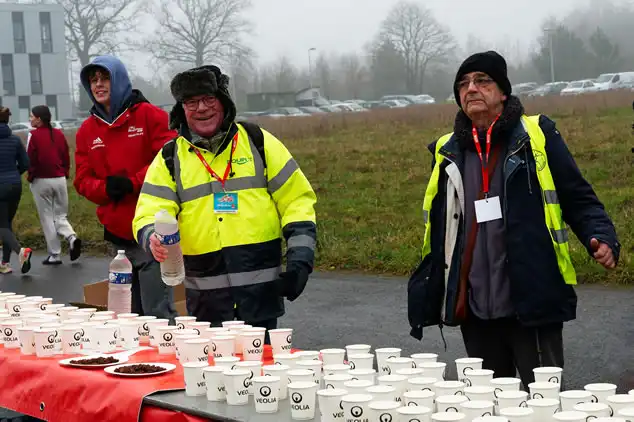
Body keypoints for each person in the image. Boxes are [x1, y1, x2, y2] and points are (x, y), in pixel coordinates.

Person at [407, 51, 620, 389]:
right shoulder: (446, 152)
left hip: (531, 301)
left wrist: (601, 236)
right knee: (488, 403)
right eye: (463, 84)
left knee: (545, 403)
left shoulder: (536, 136)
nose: (471, 89)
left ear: (502, 91)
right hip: (474, 309)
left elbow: (578, 197)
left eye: (482, 81)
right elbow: (440, 232)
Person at [132, 65, 317, 333]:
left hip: (261, 298)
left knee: (261, 371)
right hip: (206, 304)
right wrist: (152, 235)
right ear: (181, 109)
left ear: (224, 101)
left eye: (209, 99)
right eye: (192, 102)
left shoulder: (258, 142)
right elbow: (149, 210)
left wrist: (301, 259)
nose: (202, 108)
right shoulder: (169, 158)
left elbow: (297, 200)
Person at [74, 55, 178, 320]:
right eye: (93, 80)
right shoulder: (87, 130)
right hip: (118, 234)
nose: (98, 85)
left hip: (152, 231)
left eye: (104, 77)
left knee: (156, 312)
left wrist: (133, 182)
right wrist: (107, 189)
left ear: (119, 79)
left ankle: (166, 357)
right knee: (126, 315)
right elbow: (82, 180)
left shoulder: (150, 116)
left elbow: (171, 160)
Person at [27, 105, 81, 265]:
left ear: (39, 119)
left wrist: (31, 176)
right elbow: (65, 154)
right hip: (59, 179)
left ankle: (55, 254)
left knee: (47, 218)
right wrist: (64, 172)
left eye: (32, 116)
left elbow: (30, 157)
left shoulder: (33, 135)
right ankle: (71, 237)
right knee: (60, 215)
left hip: (41, 180)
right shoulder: (58, 134)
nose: (30, 119)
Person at [0, 107, 32, 274]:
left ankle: (21, 251)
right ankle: (4, 263)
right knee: (6, 224)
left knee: (2, 225)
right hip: (15, 186)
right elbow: (26, 164)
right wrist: (13, 174)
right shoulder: (15, 140)